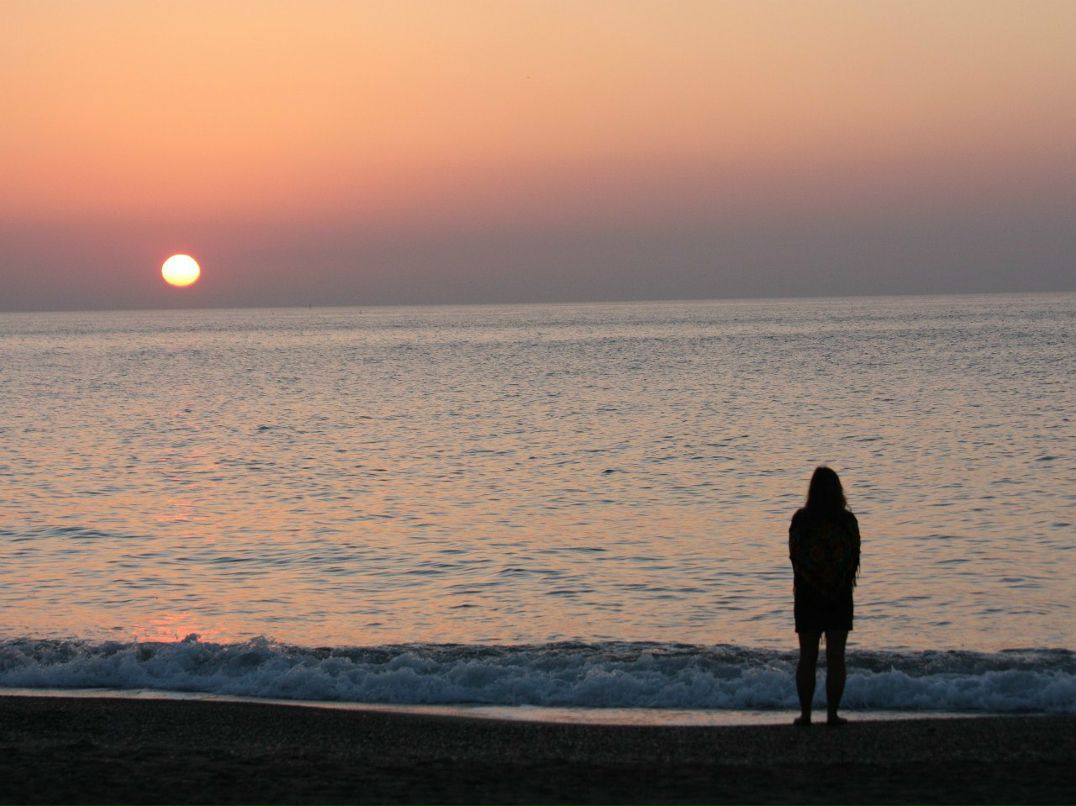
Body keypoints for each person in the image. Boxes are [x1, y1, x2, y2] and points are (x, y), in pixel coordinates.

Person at [788, 466, 860, 726]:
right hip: (839, 596)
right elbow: (853, 558)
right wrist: (835, 584)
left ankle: (806, 715)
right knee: (836, 657)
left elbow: (795, 557)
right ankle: (832, 714)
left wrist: (812, 581)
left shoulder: (801, 520)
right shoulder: (847, 522)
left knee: (807, 656)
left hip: (807, 596)